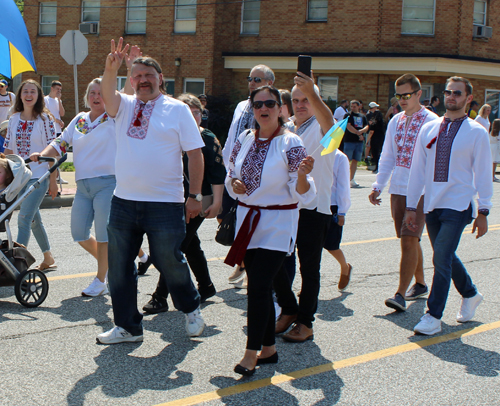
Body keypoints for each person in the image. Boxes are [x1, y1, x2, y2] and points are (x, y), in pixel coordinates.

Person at [96, 38, 206, 344]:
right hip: (124, 201)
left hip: (165, 203)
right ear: (131, 81)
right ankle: (128, 327)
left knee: (168, 260)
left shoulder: (178, 110)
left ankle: (190, 307)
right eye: (137, 76)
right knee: (118, 267)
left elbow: (195, 154)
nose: (143, 81)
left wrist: (194, 195)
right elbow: (107, 95)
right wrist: (110, 69)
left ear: (160, 79)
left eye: (149, 76)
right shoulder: (125, 105)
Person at [225, 85, 316, 376]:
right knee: (259, 287)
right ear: (252, 109)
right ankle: (269, 350)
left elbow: (304, 194)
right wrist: (234, 185)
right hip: (248, 222)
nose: (263, 108)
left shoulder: (291, 142)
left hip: (277, 225)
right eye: (258, 104)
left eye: (270, 103)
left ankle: (250, 353)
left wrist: (302, 176)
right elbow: (231, 175)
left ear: (280, 108)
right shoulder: (244, 138)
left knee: (258, 288)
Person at [406, 76, 492, 336]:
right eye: (447, 92)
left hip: (459, 205)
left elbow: (483, 174)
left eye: (457, 93)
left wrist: (484, 211)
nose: (451, 96)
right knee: (446, 256)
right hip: (432, 205)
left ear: (468, 98)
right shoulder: (429, 129)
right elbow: (417, 170)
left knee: (440, 257)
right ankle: (470, 294)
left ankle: (433, 316)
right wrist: (412, 207)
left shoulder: (476, 132)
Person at [31, 78, 116, 297]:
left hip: (108, 182)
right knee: (79, 233)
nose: (96, 97)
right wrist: (42, 155)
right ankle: (112, 263)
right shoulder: (80, 119)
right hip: (83, 185)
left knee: (103, 234)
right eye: (92, 93)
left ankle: (101, 280)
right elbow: (61, 142)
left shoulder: (114, 118)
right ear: (87, 96)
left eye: (100, 93)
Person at [143, 93, 226, 314]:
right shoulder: (170, 137)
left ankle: (160, 296)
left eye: (195, 113)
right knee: (189, 244)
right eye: (186, 113)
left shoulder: (207, 138)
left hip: (200, 200)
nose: (191, 117)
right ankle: (206, 286)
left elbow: (218, 174)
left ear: (201, 114)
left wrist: (217, 203)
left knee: (175, 246)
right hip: (173, 199)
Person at [273, 71, 336, 343]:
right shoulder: (286, 128)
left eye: (306, 100)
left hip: (314, 208)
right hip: (285, 207)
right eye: (296, 99)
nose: (301, 104)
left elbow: (330, 121)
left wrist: (312, 92)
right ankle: (289, 310)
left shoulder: (324, 129)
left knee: (309, 268)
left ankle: (305, 322)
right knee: (275, 262)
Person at [368, 73, 439, 312]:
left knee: (409, 238)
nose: (402, 100)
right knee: (407, 239)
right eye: (398, 96)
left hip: (420, 191)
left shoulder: (432, 121)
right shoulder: (396, 120)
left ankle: (399, 294)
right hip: (398, 188)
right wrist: (378, 185)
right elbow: (388, 155)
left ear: (419, 94)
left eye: (407, 95)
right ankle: (419, 283)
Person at [221, 64, 275, 286]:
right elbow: (232, 135)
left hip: (257, 175)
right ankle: (243, 262)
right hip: (233, 171)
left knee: (253, 223)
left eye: (257, 79)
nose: (252, 82)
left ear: (269, 83)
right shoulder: (242, 105)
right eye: (250, 78)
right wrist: (226, 165)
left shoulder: (272, 106)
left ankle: (252, 272)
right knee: (227, 216)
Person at [4, 79, 57, 270]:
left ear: (38, 95)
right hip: (20, 177)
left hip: (40, 175)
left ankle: (17, 264)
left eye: (32, 91)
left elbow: (54, 150)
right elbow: (9, 151)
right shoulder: (13, 119)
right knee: (33, 218)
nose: (28, 95)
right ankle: (48, 257)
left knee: (24, 217)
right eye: (25, 91)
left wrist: (53, 180)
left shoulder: (45, 119)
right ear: (20, 95)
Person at [323, 149, 352, 291]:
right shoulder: (313, 150)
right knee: (310, 248)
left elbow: (343, 186)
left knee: (331, 245)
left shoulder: (340, 157)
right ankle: (310, 284)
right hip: (313, 203)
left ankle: (345, 267)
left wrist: (342, 212)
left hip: (332, 206)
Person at [343, 100, 369, 188]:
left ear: (359, 106)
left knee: (355, 160)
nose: (352, 108)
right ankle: (343, 179)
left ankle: (351, 179)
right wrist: (358, 133)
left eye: (354, 106)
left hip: (359, 142)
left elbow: (367, 126)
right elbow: (348, 126)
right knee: (347, 160)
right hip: (349, 140)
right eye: (351, 106)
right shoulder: (348, 115)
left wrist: (361, 132)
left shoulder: (362, 116)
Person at [365, 102, 385, 174]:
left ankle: (377, 167)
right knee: (379, 152)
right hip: (381, 136)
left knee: (375, 152)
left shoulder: (374, 118)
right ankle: (379, 167)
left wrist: (367, 140)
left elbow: (371, 131)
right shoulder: (377, 117)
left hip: (375, 137)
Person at [0, 80, 15, 153]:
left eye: (2, 86)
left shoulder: (11, 96)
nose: (0, 87)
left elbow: (15, 108)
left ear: (6, 87)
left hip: (8, 124)